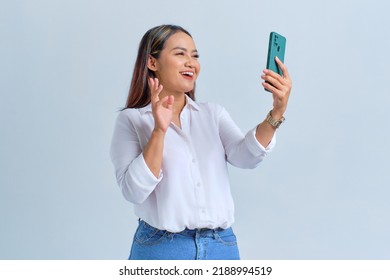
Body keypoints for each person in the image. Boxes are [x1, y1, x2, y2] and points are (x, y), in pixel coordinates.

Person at [110, 24, 292, 260]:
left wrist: (277, 112)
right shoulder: (132, 120)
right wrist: (159, 130)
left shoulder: (212, 114)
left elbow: (246, 157)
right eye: (180, 53)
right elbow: (133, 191)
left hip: (221, 246)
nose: (191, 62)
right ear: (152, 63)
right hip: (163, 249)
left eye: (195, 56)